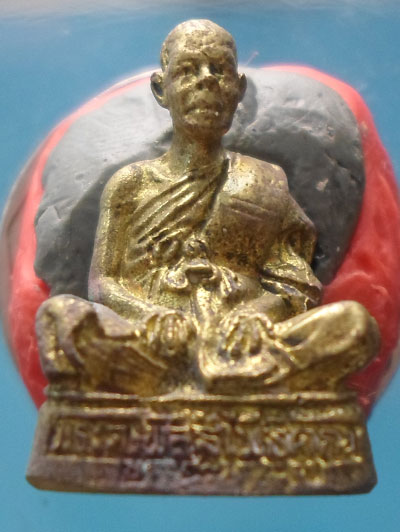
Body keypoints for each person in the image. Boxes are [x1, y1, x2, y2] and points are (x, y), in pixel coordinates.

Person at [36, 19, 379, 397]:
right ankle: (211, 382)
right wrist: (152, 315)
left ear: (238, 88)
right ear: (161, 89)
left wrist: (254, 315)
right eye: (187, 71)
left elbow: (292, 286)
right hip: (155, 340)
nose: (206, 81)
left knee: (354, 325)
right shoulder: (130, 183)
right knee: (61, 318)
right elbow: (103, 284)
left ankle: (192, 381)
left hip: (245, 339)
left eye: (219, 70)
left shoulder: (264, 180)